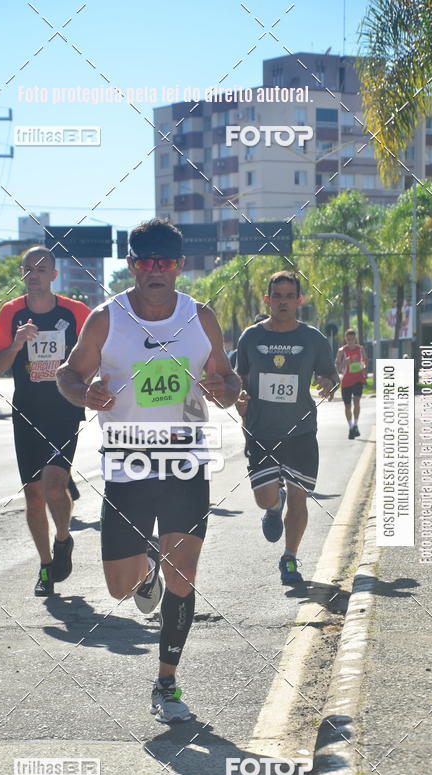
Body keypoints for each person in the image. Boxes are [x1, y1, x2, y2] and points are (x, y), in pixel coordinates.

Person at [56, 219, 240, 722]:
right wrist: (83, 393)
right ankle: (146, 572)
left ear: (180, 266)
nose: (156, 271)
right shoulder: (105, 319)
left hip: (184, 459)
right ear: (132, 264)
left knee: (186, 575)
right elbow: (67, 374)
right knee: (119, 586)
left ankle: (166, 683)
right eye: (145, 262)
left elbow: (225, 374)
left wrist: (226, 388)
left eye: (166, 263)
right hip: (127, 462)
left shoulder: (200, 318)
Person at [0, 246, 91, 596]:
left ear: (53, 275)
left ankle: (63, 538)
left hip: (64, 409)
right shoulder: (10, 312)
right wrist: (16, 344)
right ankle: (47, 566)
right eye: (28, 268)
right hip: (26, 413)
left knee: (53, 485)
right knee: (33, 497)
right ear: (23, 274)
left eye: (41, 268)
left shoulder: (77, 313)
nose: (34, 273)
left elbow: (100, 355)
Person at [236, 271, 339, 586]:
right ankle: (272, 506)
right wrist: (239, 396)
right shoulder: (251, 337)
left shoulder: (313, 338)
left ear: (299, 300)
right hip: (260, 431)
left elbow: (330, 378)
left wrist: (327, 383)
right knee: (264, 498)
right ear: (267, 300)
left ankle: (289, 558)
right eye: (277, 296)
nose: (283, 301)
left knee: (300, 498)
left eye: (289, 296)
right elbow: (240, 379)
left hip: (301, 432)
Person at [335, 328, 368, 438]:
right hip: (346, 382)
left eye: (352, 339)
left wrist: (364, 368)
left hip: (358, 379)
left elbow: (365, 361)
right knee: (347, 406)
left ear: (355, 339)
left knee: (357, 401)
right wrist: (345, 362)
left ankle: (355, 424)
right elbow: (337, 368)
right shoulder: (341, 351)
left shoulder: (360, 349)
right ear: (345, 339)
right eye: (348, 339)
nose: (350, 341)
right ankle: (350, 427)